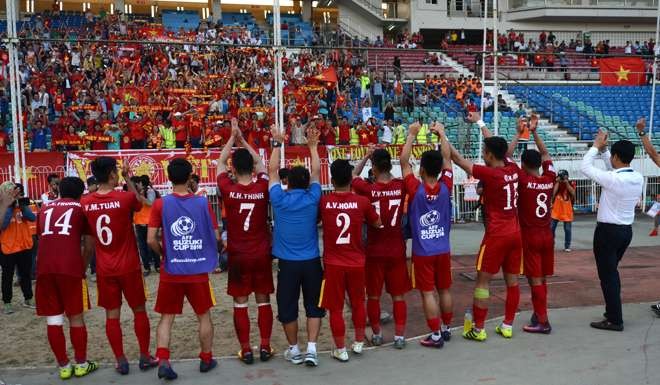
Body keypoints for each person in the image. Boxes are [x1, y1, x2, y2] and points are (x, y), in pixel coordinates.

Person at [450, 112, 522, 341]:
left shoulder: (491, 175)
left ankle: (479, 329)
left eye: (484, 152)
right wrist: (481, 122)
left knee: (482, 282)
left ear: (490, 155)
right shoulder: (513, 169)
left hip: (496, 235)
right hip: (515, 232)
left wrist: (443, 137)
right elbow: (499, 147)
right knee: (512, 282)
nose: (482, 154)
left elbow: (460, 161)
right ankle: (508, 325)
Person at [81, 157, 157, 375]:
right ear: (113, 174)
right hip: (129, 266)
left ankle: (121, 360)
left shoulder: (86, 202)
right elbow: (138, 201)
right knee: (139, 311)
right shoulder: (124, 198)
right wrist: (128, 178)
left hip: (105, 268)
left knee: (111, 315)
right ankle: (144, 356)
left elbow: (87, 238)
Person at [147, 158, 220, 380]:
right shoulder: (202, 203)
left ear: (169, 178)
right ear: (190, 177)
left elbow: (151, 239)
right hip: (197, 270)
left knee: (166, 318)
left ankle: (163, 359)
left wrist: (164, 254)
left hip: (172, 269)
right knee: (203, 316)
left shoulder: (161, 204)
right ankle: (206, 359)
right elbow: (216, 236)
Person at [217, 118, 274, 365]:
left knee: (240, 304)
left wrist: (232, 137)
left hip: (238, 253)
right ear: (251, 168)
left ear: (233, 168)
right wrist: (244, 142)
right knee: (263, 300)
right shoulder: (262, 186)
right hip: (261, 252)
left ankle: (245, 349)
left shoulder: (228, 188)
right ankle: (265, 345)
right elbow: (261, 163)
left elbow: (219, 162)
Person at [269, 125, 325, 367]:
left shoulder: (279, 199)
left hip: (288, 265)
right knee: (314, 306)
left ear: (287, 182)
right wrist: (312, 147)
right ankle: (312, 348)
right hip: (312, 261)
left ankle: (294, 350)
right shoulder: (313, 197)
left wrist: (277, 143)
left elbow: (271, 171)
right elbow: (316, 172)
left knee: (288, 308)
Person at [35, 177, 98, 380]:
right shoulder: (81, 209)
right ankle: (81, 364)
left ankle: (63, 366)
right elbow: (89, 246)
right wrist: (82, 267)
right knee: (76, 317)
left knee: (53, 320)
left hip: (44, 268)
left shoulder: (44, 209)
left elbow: (41, 237)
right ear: (81, 193)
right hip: (70, 268)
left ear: (59, 190)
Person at [580, 131, 643, 331]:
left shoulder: (614, 179)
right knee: (611, 274)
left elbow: (585, 167)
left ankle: (615, 319)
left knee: (608, 277)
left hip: (607, 233)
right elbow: (613, 169)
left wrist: (596, 146)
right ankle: (612, 313)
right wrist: (606, 151)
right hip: (625, 231)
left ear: (617, 157)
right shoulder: (637, 177)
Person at [400, 121, 455, 348]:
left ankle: (434, 335)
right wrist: (442, 133)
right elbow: (448, 159)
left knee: (427, 293)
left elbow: (403, 162)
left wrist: (411, 135)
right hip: (443, 248)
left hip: (423, 251)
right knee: (444, 289)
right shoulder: (447, 185)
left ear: (421, 170)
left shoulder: (415, 188)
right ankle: (447, 328)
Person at [320, 159, 380, 362]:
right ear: (351, 180)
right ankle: (359, 342)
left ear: (331, 179)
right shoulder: (362, 202)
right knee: (358, 303)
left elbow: (315, 221)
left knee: (335, 308)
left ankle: (340, 348)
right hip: (357, 261)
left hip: (333, 262)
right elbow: (378, 222)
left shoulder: (325, 202)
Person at [352, 146, 410, 349]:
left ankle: (376, 333)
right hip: (396, 249)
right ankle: (400, 336)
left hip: (374, 250)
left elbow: (353, 175)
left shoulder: (368, 189)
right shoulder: (401, 186)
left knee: (374, 295)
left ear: (374, 168)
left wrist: (366, 155)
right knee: (398, 296)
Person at [507, 115, 556, 333]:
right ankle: (539, 313)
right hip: (547, 233)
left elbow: (505, 157)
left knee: (534, 279)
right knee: (541, 277)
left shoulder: (523, 180)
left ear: (524, 165)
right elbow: (545, 153)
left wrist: (519, 133)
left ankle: (543, 320)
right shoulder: (549, 179)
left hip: (530, 235)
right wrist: (535, 132)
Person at [1, 182, 37, 314]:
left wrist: (21, 204)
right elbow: (3, 225)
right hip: (7, 248)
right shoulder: (2, 206)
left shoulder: (21, 204)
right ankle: (7, 302)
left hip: (24, 246)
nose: (14, 194)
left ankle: (28, 298)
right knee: (7, 276)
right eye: (11, 191)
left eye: (15, 191)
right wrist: (9, 205)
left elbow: (32, 218)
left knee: (25, 275)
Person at [132, 176, 159, 276]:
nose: (134, 186)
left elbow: (151, 203)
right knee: (142, 247)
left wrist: (141, 197)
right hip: (138, 223)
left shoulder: (150, 191)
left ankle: (157, 265)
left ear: (140, 183)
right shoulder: (132, 193)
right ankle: (146, 268)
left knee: (152, 244)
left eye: (136, 184)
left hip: (149, 223)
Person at [551, 169, 576, 252]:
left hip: (567, 209)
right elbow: (553, 193)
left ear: (567, 176)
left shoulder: (571, 183)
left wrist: (566, 182)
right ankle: (551, 244)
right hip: (556, 209)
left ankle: (567, 246)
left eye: (563, 176)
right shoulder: (556, 183)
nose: (561, 178)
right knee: (551, 228)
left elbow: (572, 193)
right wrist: (557, 182)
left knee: (568, 229)